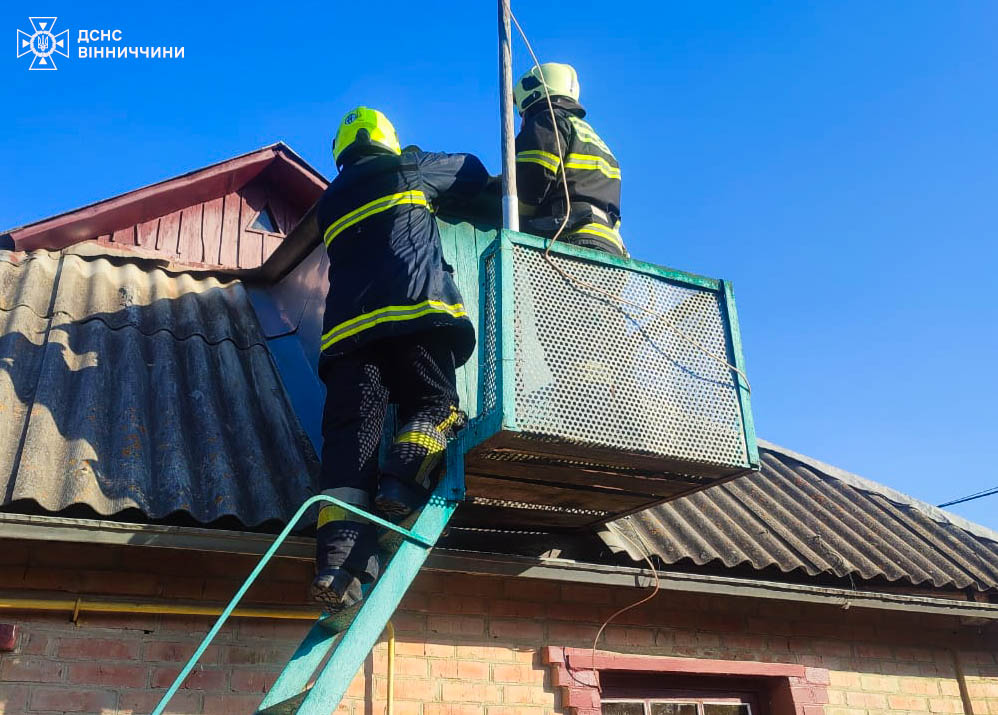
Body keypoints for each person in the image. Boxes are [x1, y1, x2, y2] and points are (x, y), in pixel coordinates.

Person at [312, 106, 488, 612]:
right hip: (414, 313)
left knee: (350, 449)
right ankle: (403, 483)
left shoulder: (328, 203)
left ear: (342, 152)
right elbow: (472, 172)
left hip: (347, 338)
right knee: (436, 407)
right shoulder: (407, 168)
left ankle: (339, 568)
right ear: (387, 140)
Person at [513, 62, 626, 257]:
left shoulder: (548, 120)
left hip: (568, 242)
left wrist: (500, 209)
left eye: (522, 114)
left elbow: (532, 183)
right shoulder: (598, 142)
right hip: (611, 254)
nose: (522, 123)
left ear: (534, 96)